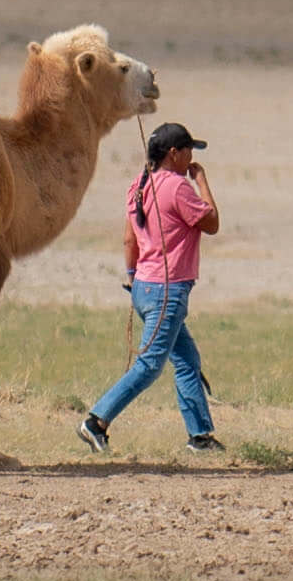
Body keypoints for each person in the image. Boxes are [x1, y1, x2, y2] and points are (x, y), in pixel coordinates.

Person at [80, 119, 223, 456]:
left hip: (145, 285)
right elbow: (212, 222)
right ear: (174, 153)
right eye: (189, 150)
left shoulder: (139, 185)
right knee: (150, 365)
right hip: (166, 290)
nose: (192, 156)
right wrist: (201, 180)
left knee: (187, 359)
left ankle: (200, 436)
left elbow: (130, 238)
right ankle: (96, 421)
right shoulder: (179, 187)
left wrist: (133, 278)